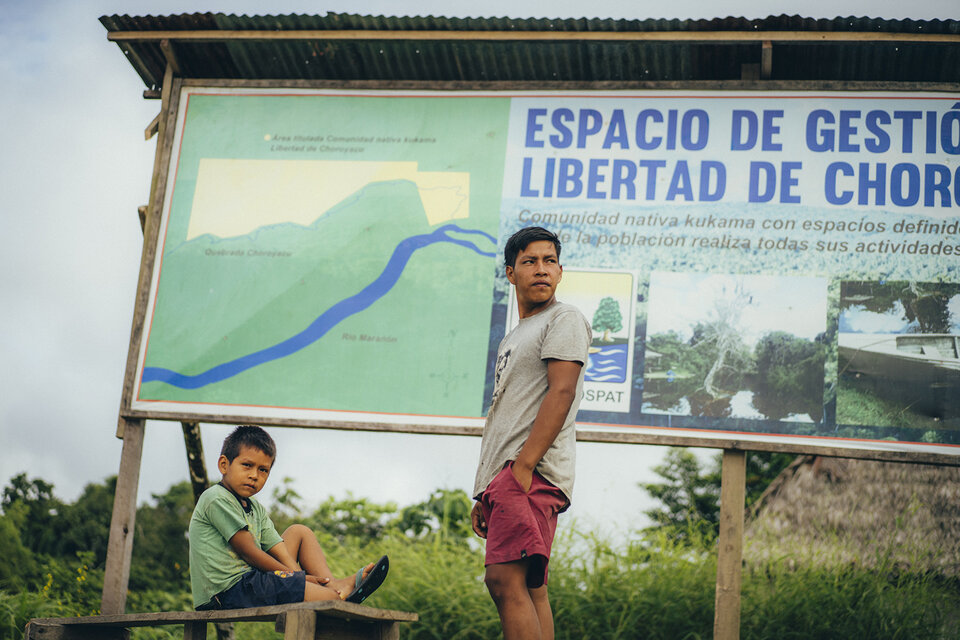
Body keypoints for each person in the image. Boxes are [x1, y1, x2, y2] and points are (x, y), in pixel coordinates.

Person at [470, 226, 591, 640]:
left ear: (560, 272)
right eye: (530, 261)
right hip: (510, 476)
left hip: (529, 472)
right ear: (510, 273)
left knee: (503, 581)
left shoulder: (565, 318)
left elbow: (562, 391)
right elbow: (507, 415)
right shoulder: (515, 336)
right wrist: (484, 488)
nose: (541, 269)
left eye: (549, 261)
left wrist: (521, 468)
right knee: (531, 586)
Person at [189, 425, 388, 610]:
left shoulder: (255, 508)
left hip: (251, 581)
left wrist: (298, 578)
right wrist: (299, 578)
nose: (254, 475)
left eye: (263, 470)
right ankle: (334, 593)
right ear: (224, 465)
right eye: (247, 465)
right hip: (227, 592)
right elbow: (250, 553)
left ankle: (334, 586)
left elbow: (280, 551)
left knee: (299, 532)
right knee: (330, 602)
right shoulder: (216, 498)